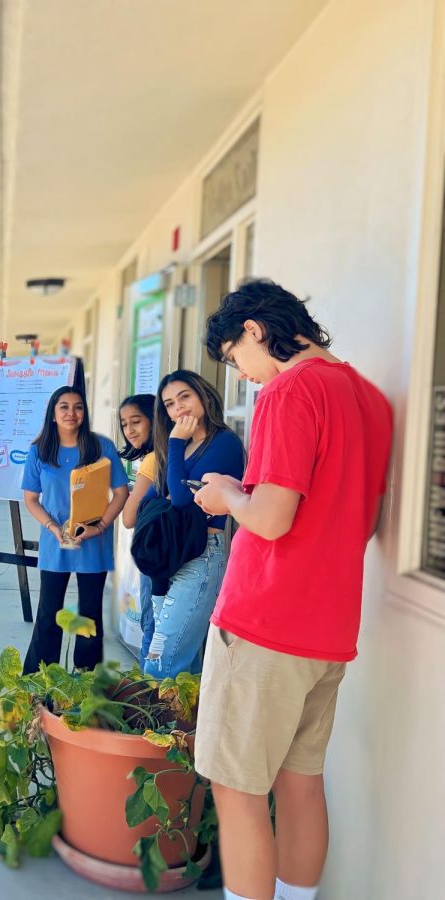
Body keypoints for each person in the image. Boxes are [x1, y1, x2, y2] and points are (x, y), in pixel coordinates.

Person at [192, 280, 391, 900]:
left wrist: (225, 494)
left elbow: (274, 518)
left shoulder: (290, 389)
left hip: (264, 621)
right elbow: (362, 518)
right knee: (301, 783)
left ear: (254, 330)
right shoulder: (370, 399)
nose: (243, 376)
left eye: (234, 360)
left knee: (238, 788)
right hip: (329, 628)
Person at [139, 370, 244, 678]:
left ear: (204, 396)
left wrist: (174, 443)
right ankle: (187, 726)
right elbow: (157, 499)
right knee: (178, 661)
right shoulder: (181, 448)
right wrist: (175, 452)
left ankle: (158, 726)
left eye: (184, 397)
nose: (178, 408)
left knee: (161, 664)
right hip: (166, 557)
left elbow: (183, 502)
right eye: (170, 404)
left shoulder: (223, 443)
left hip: (200, 556)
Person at [20, 387, 129, 674]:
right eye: (64, 407)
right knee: (49, 612)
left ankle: (85, 677)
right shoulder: (39, 450)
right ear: (53, 414)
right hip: (56, 540)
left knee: (89, 613)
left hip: (93, 541)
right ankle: (40, 677)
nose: (71, 413)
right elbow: (31, 499)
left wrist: (101, 526)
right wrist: (52, 527)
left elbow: (120, 492)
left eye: (78, 407)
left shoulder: (101, 447)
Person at [118, 393, 158, 665]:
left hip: (155, 557)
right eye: (124, 424)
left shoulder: (153, 460)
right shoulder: (170, 454)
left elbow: (129, 517)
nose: (129, 430)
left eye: (136, 422)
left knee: (152, 633)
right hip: (167, 556)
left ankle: (149, 701)